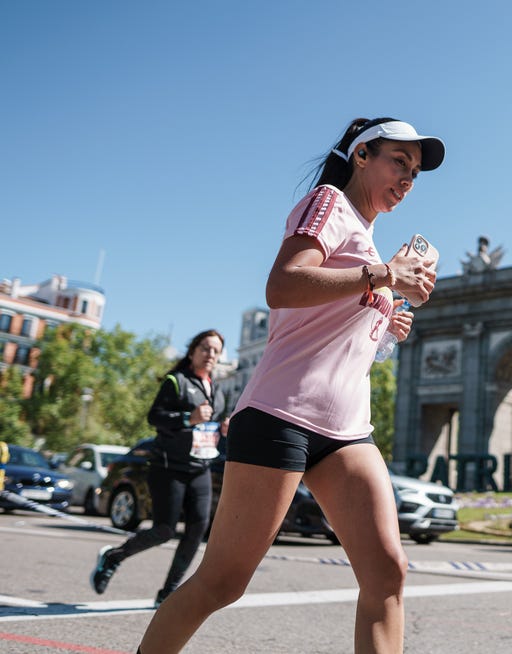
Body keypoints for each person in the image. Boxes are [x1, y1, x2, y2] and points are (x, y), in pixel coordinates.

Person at [135, 117, 444, 654]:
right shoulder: (329, 203)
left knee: (388, 572)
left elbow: (331, 338)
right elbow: (283, 285)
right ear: (362, 155)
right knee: (222, 583)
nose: (407, 179)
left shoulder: (371, 244)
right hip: (281, 417)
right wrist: (383, 277)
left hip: (347, 430)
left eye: (415, 173)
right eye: (400, 161)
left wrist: (386, 328)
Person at [90, 330, 228, 607]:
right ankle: (114, 557)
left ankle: (169, 592)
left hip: (200, 468)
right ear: (192, 351)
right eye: (205, 348)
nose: (210, 354)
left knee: (198, 528)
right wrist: (187, 418)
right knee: (164, 530)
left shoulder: (218, 391)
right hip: (168, 467)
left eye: (216, 350)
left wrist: (225, 428)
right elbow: (155, 417)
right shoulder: (176, 382)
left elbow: (213, 425)